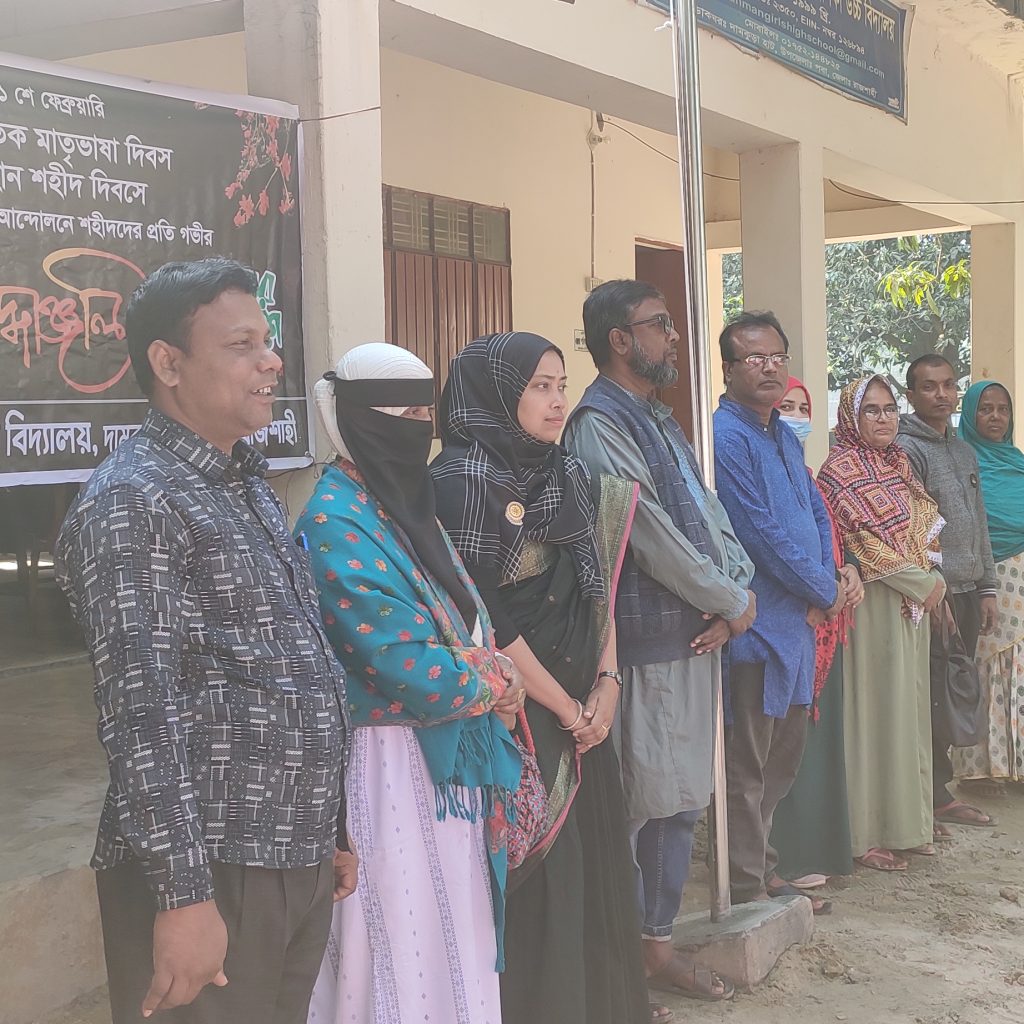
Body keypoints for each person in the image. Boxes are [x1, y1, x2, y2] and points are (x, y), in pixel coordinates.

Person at [54, 259, 353, 1024]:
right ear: (168, 363)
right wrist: (183, 895)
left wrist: (330, 828)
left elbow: (291, 665)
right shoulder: (134, 500)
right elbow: (141, 714)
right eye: (242, 345)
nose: (272, 362)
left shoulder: (243, 480)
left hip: (290, 851)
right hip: (215, 865)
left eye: (269, 342)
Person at [298, 344, 524, 1024]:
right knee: (395, 933)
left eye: (428, 414)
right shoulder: (334, 520)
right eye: (406, 417)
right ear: (364, 422)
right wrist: (494, 678)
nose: (422, 430)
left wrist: (490, 672)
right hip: (385, 767)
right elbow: (397, 659)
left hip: (445, 763)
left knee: (453, 928)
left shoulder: (401, 504)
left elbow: (466, 611)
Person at [431, 332, 651, 1024]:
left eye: (561, 385)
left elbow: (596, 587)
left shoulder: (569, 473)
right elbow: (482, 615)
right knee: (542, 879)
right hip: (520, 713)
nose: (557, 402)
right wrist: (566, 709)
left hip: (587, 708)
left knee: (591, 869)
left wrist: (608, 682)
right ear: (496, 394)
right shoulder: (459, 482)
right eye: (539, 387)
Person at [563, 279, 754, 1003]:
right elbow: (648, 534)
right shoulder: (598, 424)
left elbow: (707, 514)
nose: (674, 336)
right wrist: (730, 600)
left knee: (681, 805)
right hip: (644, 650)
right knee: (643, 807)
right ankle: (623, 967)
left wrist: (739, 591)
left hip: (693, 638)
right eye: (660, 324)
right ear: (620, 339)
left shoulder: (656, 417)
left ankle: (657, 948)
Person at [713, 311, 848, 913]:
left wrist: (830, 580)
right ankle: (747, 886)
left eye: (777, 357)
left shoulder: (783, 436)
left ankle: (762, 870)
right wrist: (824, 588)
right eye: (754, 358)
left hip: (796, 627)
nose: (768, 367)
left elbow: (816, 513)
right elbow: (758, 532)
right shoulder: (725, 437)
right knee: (747, 765)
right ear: (728, 369)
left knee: (781, 762)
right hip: (756, 630)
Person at [817, 375, 946, 872]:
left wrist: (932, 576)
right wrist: (921, 581)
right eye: (870, 410)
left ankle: (910, 825)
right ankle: (867, 832)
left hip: (912, 607)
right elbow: (859, 543)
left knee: (909, 711)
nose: (883, 418)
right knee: (874, 715)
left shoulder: (899, 465)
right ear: (851, 417)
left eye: (889, 408)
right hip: (871, 607)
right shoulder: (838, 471)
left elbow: (923, 529)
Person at [898, 355, 998, 828]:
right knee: (930, 695)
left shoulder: (962, 451)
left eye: (948, 385)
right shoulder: (906, 449)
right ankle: (930, 796)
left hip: (967, 589)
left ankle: (940, 791)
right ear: (911, 395)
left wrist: (987, 586)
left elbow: (978, 522)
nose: (941, 394)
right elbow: (913, 528)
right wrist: (931, 588)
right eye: (929, 386)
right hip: (933, 594)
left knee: (953, 691)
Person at [769, 377, 861, 887]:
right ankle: (785, 861)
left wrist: (848, 575)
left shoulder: (807, 476)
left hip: (827, 625)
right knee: (780, 752)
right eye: (785, 406)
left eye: (803, 408)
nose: (796, 416)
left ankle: (819, 852)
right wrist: (820, 593)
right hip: (791, 624)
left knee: (814, 748)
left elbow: (831, 543)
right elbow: (772, 547)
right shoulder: (758, 474)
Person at [952, 381, 1024, 790]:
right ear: (970, 415)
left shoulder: (1017, 463)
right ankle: (980, 769)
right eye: (986, 409)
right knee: (986, 669)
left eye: (1003, 409)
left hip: (1021, 578)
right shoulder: (963, 463)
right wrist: (984, 586)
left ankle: (1018, 763)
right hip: (986, 583)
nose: (996, 417)